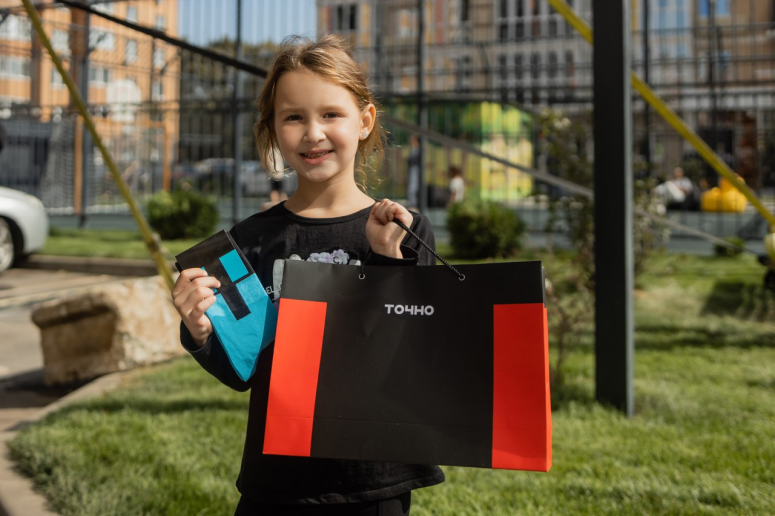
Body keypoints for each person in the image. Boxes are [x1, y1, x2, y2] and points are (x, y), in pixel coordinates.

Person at [172, 35, 444, 516]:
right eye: (294, 117)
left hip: (374, 481)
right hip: (277, 482)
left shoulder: (404, 230)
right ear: (273, 130)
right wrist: (198, 330)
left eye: (331, 114)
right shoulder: (249, 241)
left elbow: (406, 355)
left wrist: (386, 259)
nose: (313, 133)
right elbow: (242, 372)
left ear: (365, 120)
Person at [406, 134, 421, 210]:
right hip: (413, 170)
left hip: (415, 170)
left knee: (413, 187)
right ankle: (413, 204)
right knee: (412, 187)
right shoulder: (413, 149)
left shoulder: (418, 150)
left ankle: (414, 205)